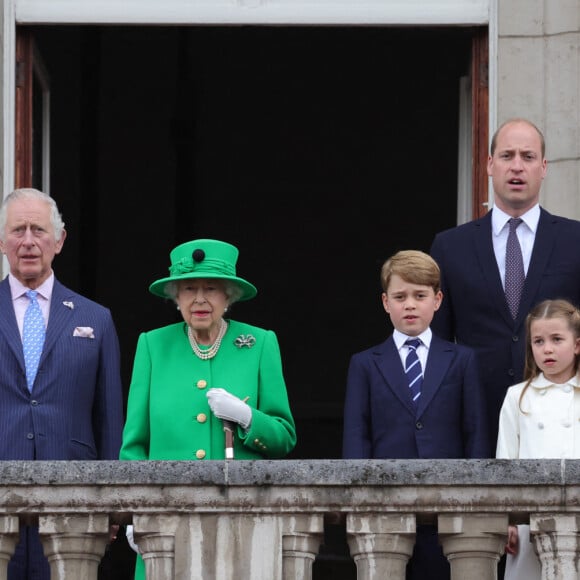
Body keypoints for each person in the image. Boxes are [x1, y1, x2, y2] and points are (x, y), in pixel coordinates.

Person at [119, 238, 296, 580]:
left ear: (228, 295)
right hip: (166, 523)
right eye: (189, 288)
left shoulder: (259, 344)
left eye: (211, 288)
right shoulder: (152, 345)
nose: (199, 299)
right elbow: (134, 446)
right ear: (176, 297)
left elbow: (284, 437)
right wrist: (135, 513)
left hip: (240, 523)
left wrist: (248, 418)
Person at [430, 118, 580, 452]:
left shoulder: (575, 241)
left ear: (543, 167)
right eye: (507, 155)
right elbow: (438, 344)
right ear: (489, 164)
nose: (516, 166)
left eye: (527, 157)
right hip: (474, 418)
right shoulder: (450, 247)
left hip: (559, 424)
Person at [0, 188, 124, 580]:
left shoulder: (96, 318)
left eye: (39, 229)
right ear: (2, 240)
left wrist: (113, 502)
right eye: (18, 230)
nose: (29, 241)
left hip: (75, 499)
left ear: (59, 240)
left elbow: (109, 417)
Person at [342, 249, 489, 580]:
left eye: (419, 295)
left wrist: (479, 500)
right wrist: (357, 501)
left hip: (448, 505)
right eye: (400, 296)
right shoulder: (365, 363)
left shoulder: (462, 359)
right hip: (385, 504)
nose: (410, 304)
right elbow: (357, 434)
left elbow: (475, 431)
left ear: (437, 300)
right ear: (385, 302)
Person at [496, 299, 580, 579]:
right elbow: (505, 462)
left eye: (557, 339)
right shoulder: (518, 396)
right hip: (528, 519)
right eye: (538, 341)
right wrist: (507, 519)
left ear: (577, 344)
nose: (547, 349)